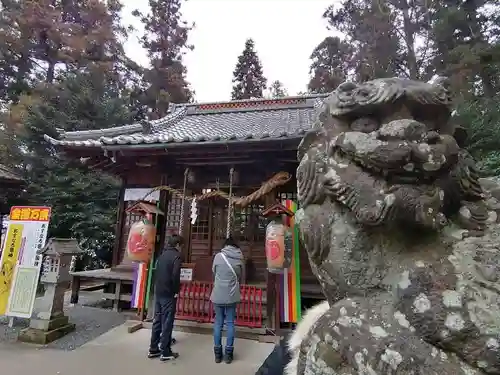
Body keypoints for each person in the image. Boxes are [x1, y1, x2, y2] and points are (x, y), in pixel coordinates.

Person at [148, 234, 183, 361]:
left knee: (157, 319)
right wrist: (175, 291)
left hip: (159, 291)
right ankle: (165, 350)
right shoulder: (177, 256)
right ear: (178, 244)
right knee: (167, 321)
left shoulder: (161, 255)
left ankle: (153, 348)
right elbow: (175, 276)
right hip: (168, 293)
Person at [210, 236, 243, 364]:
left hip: (218, 294)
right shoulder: (239, 258)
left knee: (218, 323)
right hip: (231, 295)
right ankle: (228, 355)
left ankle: (218, 354)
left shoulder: (218, 257)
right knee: (230, 323)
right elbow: (240, 276)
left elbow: (214, 272)